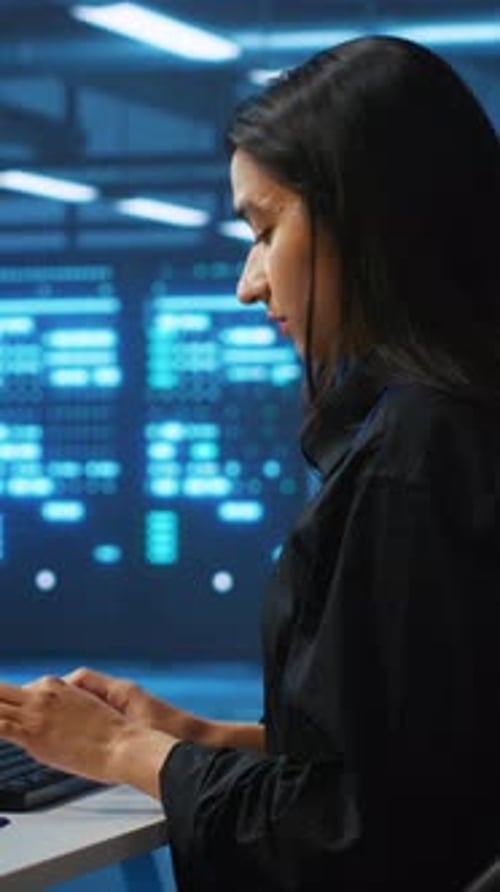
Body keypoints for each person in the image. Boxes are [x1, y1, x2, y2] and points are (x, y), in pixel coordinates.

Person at [1, 34, 500, 892]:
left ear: (369, 217)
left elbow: (363, 846)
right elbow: (427, 767)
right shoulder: (462, 426)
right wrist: (195, 738)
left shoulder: (417, 456)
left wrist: (120, 750)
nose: (248, 282)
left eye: (265, 229)